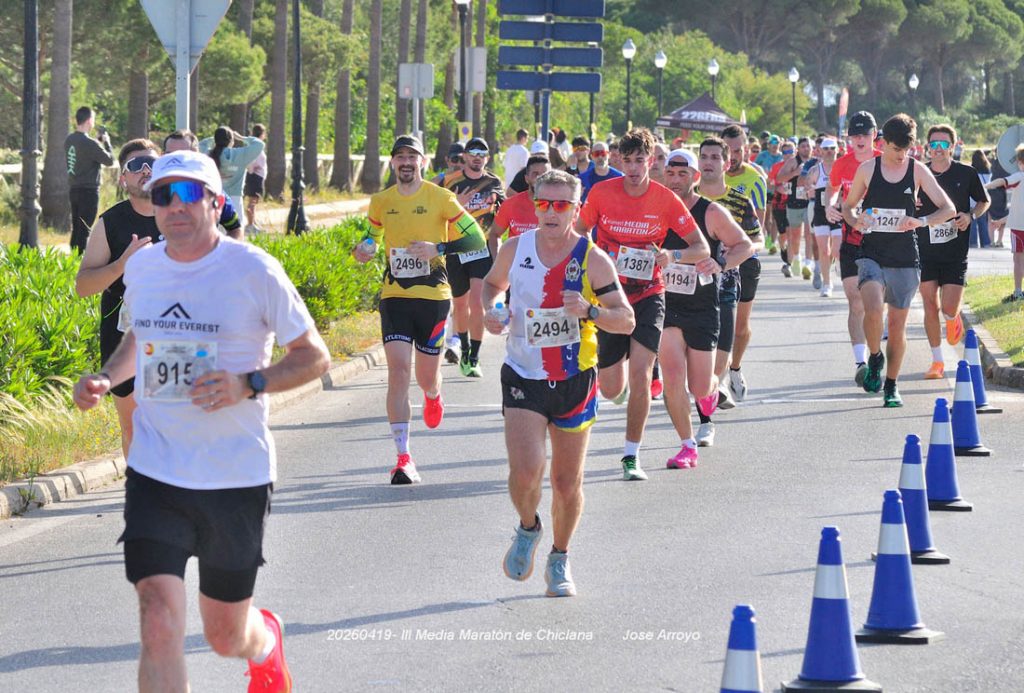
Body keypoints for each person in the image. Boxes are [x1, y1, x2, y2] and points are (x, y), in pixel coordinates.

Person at [72, 149, 330, 692]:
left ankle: (265, 641)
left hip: (233, 475)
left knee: (223, 635)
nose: (175, 207)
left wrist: (248, 383)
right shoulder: (142, 265)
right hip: (156, 469)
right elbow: (138, 337)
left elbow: (314, 356)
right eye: (163, 195)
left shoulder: (253, 269)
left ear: (217, 203)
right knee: (159, 620)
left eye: (190, 194)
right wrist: (105, 376)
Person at [483, 169, 634, 597]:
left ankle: (560, 556)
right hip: (524, 374)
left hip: (574, 377)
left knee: (567, 483)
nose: (551, 212)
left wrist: (589, 311)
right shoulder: (515, 248)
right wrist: (493, 309)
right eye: (544, 203)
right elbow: (493, 286)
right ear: (534, 204)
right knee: (526, 471)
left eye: (561, 205)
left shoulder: (593, 258)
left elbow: (626, 320)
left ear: (576, 209)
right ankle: (528, 527)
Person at [575, 127, 704, 480]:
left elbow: (701, 247)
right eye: (627, 161)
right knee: (611, 386)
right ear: (619, 160)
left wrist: (671, 254)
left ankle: (631, 455)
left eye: (640, 161)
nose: (633, 169)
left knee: (642, 375)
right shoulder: (602, 193)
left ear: (651, 161)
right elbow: (578, 234)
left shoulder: (665, 199)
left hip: (649, 293)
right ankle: (622, 395)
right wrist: (590, 261)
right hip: (611, 296)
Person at [357, 135, 486, 483]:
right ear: (392, 164)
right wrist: (364, 249)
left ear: (423, 162)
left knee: (424, 377)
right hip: (394, 295)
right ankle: (403, 458)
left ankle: (433, 394)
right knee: (398, 371)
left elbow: (475, 240)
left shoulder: (441, 197)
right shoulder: (381, 201)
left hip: (433, 297)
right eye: (399, 156)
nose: (405, 162)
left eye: (412, 156)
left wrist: (437, 247)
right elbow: (370, 236)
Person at [841, 113, 954, 407]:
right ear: (883, 144)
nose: (901, 155)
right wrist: (857, 221)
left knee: (898, 324)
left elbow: (948, 208)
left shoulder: (917, 171)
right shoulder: (868, 168)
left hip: (905, 255)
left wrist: (921, 221)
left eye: (906, 150)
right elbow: (848, 207)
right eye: (895, 150)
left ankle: (891, 385)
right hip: (872, 252)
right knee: (873, 307)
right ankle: (874, 356)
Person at [659, 147, 753, 466]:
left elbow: (745, 245)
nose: (674, 179)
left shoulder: (710, 212)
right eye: (670, 173)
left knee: (699, 386)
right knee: (672, 375)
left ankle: (712, 390)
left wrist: (720, 262)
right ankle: (687, 445)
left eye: (682, 173)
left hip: (702, 307)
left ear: (695, 177)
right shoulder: (654, 210)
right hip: (665, 305)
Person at [74, 139, 162, 460]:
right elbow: (83, 285)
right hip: (121, 335)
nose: (146, 170)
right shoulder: (109, 223)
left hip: (173, 334)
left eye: (152, 163)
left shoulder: (181, 214)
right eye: (136, 166)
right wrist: (120, 265)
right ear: (123, 178)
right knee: (133, 425)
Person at [696, 136, 763, 444]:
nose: (708, 161)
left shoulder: (738, 200)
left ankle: (714, 398)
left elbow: (757, 239)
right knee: (694, 358)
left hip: (725, 283)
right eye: (704, 156)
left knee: (720, 356)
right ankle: (704, 415)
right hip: (686, 287)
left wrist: (734, 253)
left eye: (715, 157)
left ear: (726, 163)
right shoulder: (685, 197)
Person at [917, 124, 989, 379]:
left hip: (955, 251)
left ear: (953, 146)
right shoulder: (919, 174)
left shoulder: (966, 173)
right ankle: (937, 361)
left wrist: (970, 216)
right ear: (927, 146)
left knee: (948, 306)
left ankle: (952, 317)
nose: (938, 149)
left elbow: (984, 201)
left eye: (943, 144)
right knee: (928, 303)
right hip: (923, 250)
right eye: (933, 144)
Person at [443, 137, 506, 377]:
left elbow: (503, 207)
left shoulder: (493, 181)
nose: (477, 156)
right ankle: (464, 346)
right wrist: (457, 204)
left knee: (477, 304)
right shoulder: (450, 182)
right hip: (456, 249)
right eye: (473, 152)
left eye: (482, 152)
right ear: (465, 157)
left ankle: (474, 356)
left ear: (487, 158)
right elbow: (438, 213)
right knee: (460, 305)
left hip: (481, 250)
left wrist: (498, 203)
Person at [826, 111, 881, 385]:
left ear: (874, 135)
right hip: (850, 237)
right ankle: (860, 362)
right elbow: (833, 188)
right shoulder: (842, 164)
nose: (859, 140)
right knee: (854, 299)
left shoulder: (886, 161)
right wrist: (830, 204)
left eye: (865, 134)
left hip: (882, 240)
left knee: (876, 305)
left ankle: (876, 353)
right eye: (854, 135)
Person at [720, 124, 767, 402]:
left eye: (738, 150)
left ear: (746, 149)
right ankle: (719, 379)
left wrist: (738, 245)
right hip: (714, 260)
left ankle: (735, 367)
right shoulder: (708, 178)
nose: (733, 156)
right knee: (717, 322)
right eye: (729, 151)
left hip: (746, 259)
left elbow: (758, 225)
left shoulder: (755, 179)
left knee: (739, 325)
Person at [164, 130, 245, 239]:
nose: (175, 160)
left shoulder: (213, 191)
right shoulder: (149, 190)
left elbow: (235, 228)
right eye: (170, 155)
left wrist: (225, 253)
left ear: (196, 155)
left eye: (183, 155)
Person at [65, 106, 115, 254]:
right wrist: (107, 142)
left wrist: (97, 142)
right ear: (89, 121)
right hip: (89, 191)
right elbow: (109, 160)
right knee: (85, 229)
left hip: (74, 189)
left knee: (76, 228)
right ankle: (81, 261)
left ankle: (72, 259)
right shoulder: (91, 143)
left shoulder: (70, 140)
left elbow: (85, 154)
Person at [199, 126, 266, 227]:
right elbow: (259, 144)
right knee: (235, 233)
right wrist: (241, 137)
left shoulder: (209, 154)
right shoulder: (240, 154)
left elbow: (201, 144)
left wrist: (215, 138)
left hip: (214, 199)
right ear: (231, 141)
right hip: (235, 200)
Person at [488, 155, 551, 256]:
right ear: (526, 179)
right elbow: (494, 234)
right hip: (517, 266)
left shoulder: (561, 205)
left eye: (545, 174)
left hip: (549, 265)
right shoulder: (510, 204)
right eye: (535, 174)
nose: (540, 178)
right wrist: (499, 261)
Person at [985, 144, 1024, 302]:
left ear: (1020, 162)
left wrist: (984, 186)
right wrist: (1001, 221)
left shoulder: (1020, 176)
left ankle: (1018, 292)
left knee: (1018, 260)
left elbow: (1002, 181)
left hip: (1018, 228)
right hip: (1017, 223)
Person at [809, 137, 843, 297]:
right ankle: (827, 283)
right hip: (820, 213)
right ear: (820, 151)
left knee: (837, 250)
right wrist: (809, 190)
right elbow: (806, 187)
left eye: (832, 148)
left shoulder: (842, 168)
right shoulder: (816, 170)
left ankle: (836, 265)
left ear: (837, 150)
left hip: (838, 212)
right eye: (826, 149)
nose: (829, 152)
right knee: (824, 250)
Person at [244, 124, 268, 236]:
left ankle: (252, 222)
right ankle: (250, 225)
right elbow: (252, 162)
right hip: (255, 177)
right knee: (252, 202)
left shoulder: (257, 145)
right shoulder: (257, 146)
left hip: (258, 177)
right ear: (261, 133)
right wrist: (252, 170)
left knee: (254, 201)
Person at [969, 149, 992, 248]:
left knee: (972, 221)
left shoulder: (971, 170)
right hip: (984, 199)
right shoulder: (988, 171)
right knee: (983, 222)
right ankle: (985, 243)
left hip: (972, 199)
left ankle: (973, 243)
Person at [987, 152, 1009, 248]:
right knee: (1003, 217)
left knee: (990, 218)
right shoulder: (1006, 164)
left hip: (992, 191)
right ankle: (999, 241)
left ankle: (992, 241)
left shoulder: (993, 162)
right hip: (1003, 193)